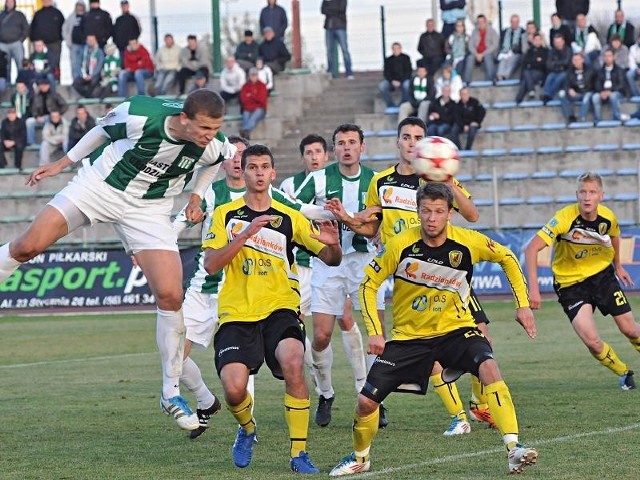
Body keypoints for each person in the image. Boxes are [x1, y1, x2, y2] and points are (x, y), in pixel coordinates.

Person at [0, 90, 235, 432]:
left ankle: (170, 393)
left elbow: (214, 164)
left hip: (149, 209)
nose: (209, 135)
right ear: (185, 118)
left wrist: (197, 195)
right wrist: (62, 164)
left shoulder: (215, 145)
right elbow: (101, 131)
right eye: (203, 128)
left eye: (215, 128)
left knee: (171, 295)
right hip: (99, 188)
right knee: (27, 246)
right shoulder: (141, 114)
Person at [329, 182, 538, 477]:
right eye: (426, 211)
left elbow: (508, 258)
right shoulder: (400, 245)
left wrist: (523, 304)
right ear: (418, 211)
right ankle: (361, 457)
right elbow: (367, 284)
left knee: (489, 367)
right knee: (365, 402)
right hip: (409, 338)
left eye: (439, 211)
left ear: (450, 213)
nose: (431, 217)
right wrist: (376, 330)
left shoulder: (468, 242)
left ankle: (513, 448)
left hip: (456, 330)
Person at [325, 118, 494, 436]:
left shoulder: (436, 180)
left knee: (480, 335)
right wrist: (347, 218)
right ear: (398, 141)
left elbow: (471, 215)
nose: (412, 142)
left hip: (445, 271)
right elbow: (370, 226)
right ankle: (460, 415)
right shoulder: (380, 181)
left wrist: (449, 180)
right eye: (406, 137)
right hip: (409, 277)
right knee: (427, 346)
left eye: (419, 137)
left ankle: (477, 402)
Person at [202, 144, 341, 474]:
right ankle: (248, 429)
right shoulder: (224, 215)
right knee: (234, 389)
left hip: (281, 307)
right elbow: (210, 264)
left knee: (294, 361)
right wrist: (246, 234)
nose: (260, 172)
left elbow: (331, 260)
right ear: (244, 171)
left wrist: (333, 245)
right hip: (237, 312)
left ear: (273, 173)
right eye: (253, 167)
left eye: (265, 167)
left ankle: (299, 453)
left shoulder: (290, 217)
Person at [293, 124, 379, 429]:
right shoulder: (318, 178)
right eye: (341, 143)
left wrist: (350, 218)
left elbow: (380, 218)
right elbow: (293, 205)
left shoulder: (374, 180)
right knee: (320, 335)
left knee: (375, 334)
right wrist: (325, 216)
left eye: (352, 142)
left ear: (361, 147)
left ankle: (373, 397)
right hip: (327, 263)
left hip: (365, 263)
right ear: (335, 148)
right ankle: (326, 392)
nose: (346, 148)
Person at [524, 171, 639, 391]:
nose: (587, 197)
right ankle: (624, 373)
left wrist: (619, 266)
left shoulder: (608, 218)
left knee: (630, 329)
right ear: (577, 194)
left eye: (592, 192)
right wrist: (534, 290)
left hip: (602, 277)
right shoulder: (564, 218)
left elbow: (614, 236)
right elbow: (531, 249)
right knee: (592, 342)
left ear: (601, 196)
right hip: (570, 286)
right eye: (583, 192)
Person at [280, 134, 330, 322]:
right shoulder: (289, 185)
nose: (314, 157)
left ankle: (359, 354)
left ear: (326, 155)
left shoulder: (334, 182)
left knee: (346, 317)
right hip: (302, 262)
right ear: (303, 157)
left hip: (332, 261)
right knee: (295, 317)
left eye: (318, 152)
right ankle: (299, 351)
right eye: (309, 153)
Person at [592, 48, 629, 123]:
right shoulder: (600, 71)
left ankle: (616, 117)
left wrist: (610, 91)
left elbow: (621, 85)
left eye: (609, 56)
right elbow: (597, 84)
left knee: (613, 96)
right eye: (605, 56)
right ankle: (597, 119)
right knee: (595, 97)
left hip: (617, 92)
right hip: (603, 92)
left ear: (613, 57)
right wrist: (601, 92)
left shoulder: (619, 70)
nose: (607, 58)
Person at [26, 79, 67, 146]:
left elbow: (64, 105)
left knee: (57, 120)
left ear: (48, 86)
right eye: (42, 85)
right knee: (29, 122)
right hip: (40, 118)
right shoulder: (36, 96)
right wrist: (36, 117)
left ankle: (51, 140)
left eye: (45, 85)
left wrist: (58, 113)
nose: (43, 87)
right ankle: (31, 143)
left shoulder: (54, 94)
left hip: (52, 117)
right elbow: (32, 108)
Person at [29, 0, 64, 78]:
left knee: (55, 63)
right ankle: (39, 81)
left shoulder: (57, 13)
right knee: (39, 62)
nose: (46, 1)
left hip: (55, 43)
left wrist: (60, 39)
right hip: (40, 44)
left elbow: (63, 27)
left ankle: (56, 80)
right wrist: (34, 40)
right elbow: (33, 28)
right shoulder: (38, 14)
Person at [559, 53, 596, 123]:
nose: (576, 62)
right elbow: (566, 84)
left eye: (578, 60)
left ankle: (582, 117)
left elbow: (595, 83)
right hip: (576, 93)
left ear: (582, 60)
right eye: (574, 60)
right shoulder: (569, 71)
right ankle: (570, 116)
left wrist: (588, 91)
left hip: (587, 92)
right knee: (561, 94)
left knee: (587, 96)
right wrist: (569, 89)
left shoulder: (590, 70)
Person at [322, 0, 353, 79]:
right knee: (329, 50)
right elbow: (323, 10)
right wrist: (332, 9)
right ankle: (330, 71)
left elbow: (341, 9)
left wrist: (329, 9)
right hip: (329, 27)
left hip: (340, 26)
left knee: (344, 50)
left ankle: (349, 72)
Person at [464, 14, 499, 84]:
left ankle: (491, 80)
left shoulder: (492, 31)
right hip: (477, 54)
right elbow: (470, 45)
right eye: (478, 22)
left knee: (487, 56)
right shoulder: (474, 31)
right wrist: (476, 54)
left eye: (482, 22)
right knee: (470, 58)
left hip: (489, 53)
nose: (480, 24)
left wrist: (482, 54)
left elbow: (494, 45)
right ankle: (466, 81)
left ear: (486, 22)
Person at [0, 0, 29, 80]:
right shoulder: (1, 15)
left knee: (20, 65)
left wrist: (20, 40)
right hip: (3, 45)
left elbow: (26, 28)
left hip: (16, 44)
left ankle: (21, 83)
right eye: (8, 2)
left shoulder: (20, 15)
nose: (9, 4)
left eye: (11, 2)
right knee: (5, 67)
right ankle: (7, 85)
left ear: (14, 3)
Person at [515, 32, 547, 103]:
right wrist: (536, 60)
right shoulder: (529, 51)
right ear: (533, 41)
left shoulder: (545, 51)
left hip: (540, 72)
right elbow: (526, 62)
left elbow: (543, 64)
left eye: (539, 40)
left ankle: (519, 99)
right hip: (530, 72)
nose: (537, 42)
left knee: (526, 76)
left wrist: (532, 62)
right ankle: (531, 90)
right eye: (536, 40)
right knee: (526, 73)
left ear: (541, 41)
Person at [378, 42, 412, 109]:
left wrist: (401, 81)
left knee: (407, 85)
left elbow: (409, 72)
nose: (396, 50)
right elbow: (386, 73)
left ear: (400, 49)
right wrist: (392, 81)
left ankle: (402, 104)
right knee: (382, 86)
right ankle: (390, 105)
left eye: (397, 48)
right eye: (394, 48)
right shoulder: (388, 60)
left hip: (403, 80)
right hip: (391, 81)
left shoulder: (406, 58)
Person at [239, 67, 268, 140]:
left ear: (257, 75)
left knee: (255, 116)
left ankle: (245, 130)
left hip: (260, 108)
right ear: (249, 76)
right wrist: (255, 96)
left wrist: (250, 95)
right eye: (252, 75)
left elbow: (262, 99)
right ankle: (246, 135)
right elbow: (243, 100)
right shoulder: (245, 86)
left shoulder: (262, 85)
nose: (253, 77)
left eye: (255, 75)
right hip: (248, 108)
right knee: (246, 114)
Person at [542, 34, 572, 103]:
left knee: (560, 77)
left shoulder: (568, 50)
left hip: (566, 72)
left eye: (559, 42)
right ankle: (546, 94)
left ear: (563, 42)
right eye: (556, 43)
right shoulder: (552, 51)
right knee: (550, 77)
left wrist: (555, 63)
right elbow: (548, 64)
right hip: (555, 71)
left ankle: (549, 95)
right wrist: (559, 66)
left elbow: (566, 62)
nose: (558, 44)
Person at [62, 0, 87, 82]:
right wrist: (67, 40)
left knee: (84, 63)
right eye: (78, 6)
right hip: (74, 44)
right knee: (74, 64)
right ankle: (76, 80)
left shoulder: (87, 16)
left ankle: (84, 79)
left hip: (85, 44)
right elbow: (65, 29)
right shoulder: (71, 17)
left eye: (81, 6)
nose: (79, 7)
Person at [496, 14, 526, 81]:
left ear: (518, 22)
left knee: (512, 59)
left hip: (517, 52)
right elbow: (501, 43)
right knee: (503, 59)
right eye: (513, 22)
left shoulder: (522, 32)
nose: (514, 24)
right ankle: (499, 75)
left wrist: (513, 51)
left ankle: (505, 75)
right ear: (510, 22)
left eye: (516, 22)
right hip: (505, 52)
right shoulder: (505, 31)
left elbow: (522, 45)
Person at [628, 32, 640, 98]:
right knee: (629, 75)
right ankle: (636, 95)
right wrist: (636, 69)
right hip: (636, 67)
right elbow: (631, 61)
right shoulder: (633, 48)